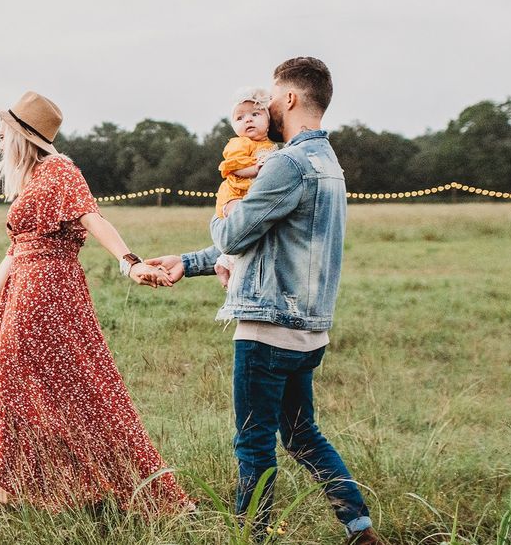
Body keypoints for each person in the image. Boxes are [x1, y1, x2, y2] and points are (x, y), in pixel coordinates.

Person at [148, 58, 379, 544]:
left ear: (290, 99)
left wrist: (223, 205)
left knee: (253, 443)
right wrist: (188, 262)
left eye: (272, 96)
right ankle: (359, 527)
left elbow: (234, 232)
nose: (266, 105)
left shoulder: (287, 163)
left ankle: (252, 537)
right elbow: (267, 241)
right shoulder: (328, 164)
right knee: (301, 435)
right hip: (309, 329)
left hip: (268, 328)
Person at [0, 90, 190, 512]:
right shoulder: (32, 180)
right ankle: (27, 494)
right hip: (25, 294)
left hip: (47, 295)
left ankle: (89, 491)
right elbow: (13, 253)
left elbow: (93, 217)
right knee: (30, 393)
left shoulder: (60, 170)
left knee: (76, 391)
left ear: (22, 136)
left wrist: (129, 262)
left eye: (3, 132)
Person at [214, 87, 277, 287]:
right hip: (233, 194)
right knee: (240, 223)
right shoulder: (240, 143)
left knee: (250, 228)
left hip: (248, 194)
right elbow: (233, 167)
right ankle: (229, 263)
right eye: (240, 118)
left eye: (255, 114)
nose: (248, 120)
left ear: (268, 121)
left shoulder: (270, 145)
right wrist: (255, 169)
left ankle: (225, 261)